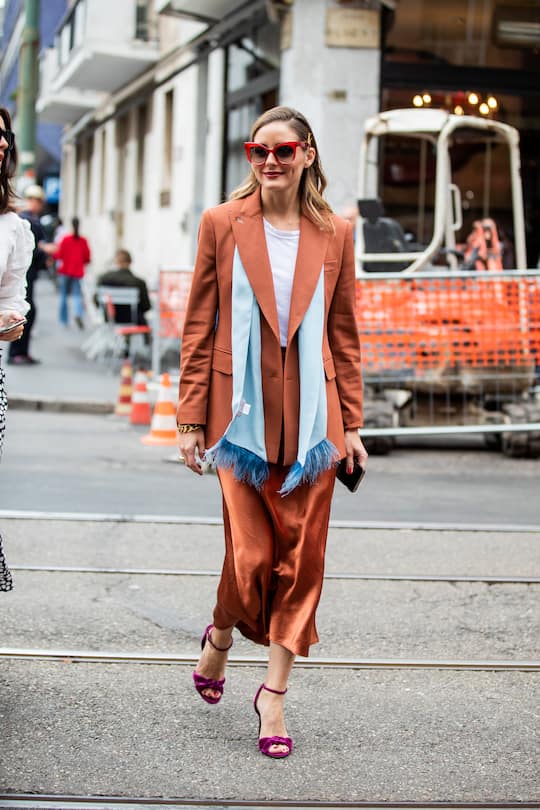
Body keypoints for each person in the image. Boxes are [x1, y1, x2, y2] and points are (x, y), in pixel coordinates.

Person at [177, 106, 367, 759]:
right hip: (240, 422)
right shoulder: (222, 225)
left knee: (302, 563)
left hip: (318, 425)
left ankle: (274, 697)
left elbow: (344, 337)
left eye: (285, 151)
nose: (271, 162)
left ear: (308, 155)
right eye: (260, 150)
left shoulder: (336, 233)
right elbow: (199, 326)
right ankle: (223, 634)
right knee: (251, 559)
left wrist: (356, 426)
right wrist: (189, 418)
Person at [0, 107, 34, 590]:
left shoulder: (12, 225)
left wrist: (12, 319)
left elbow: (12, 293)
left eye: (4, 136)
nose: (2, 143)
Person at [7, 183, 49, 365]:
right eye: (31, 199)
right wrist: (45, 251)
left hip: (26, 275)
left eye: (37, 200)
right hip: (21, 276)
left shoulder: (30, 220)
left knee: (26, 313)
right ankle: (16, 352)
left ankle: (20, 351)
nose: (34, 203)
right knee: (21, 313)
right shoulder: (23, 221)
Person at [96, 249, 151, 326]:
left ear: (116, 262)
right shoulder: (139, 282)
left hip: (110, 318)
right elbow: (146, 307)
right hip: (133, 319)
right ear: (130, 262)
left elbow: (97, 300)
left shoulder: (103, 279)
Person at [54, 217, 91, 329]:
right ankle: (78, 314)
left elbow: (59, 255)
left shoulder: (66, 239)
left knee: (63, 296)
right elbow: (87, 258)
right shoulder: (83, 240)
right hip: (77, 271)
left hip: (65, 270)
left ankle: (64, 320)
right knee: (77, 295)